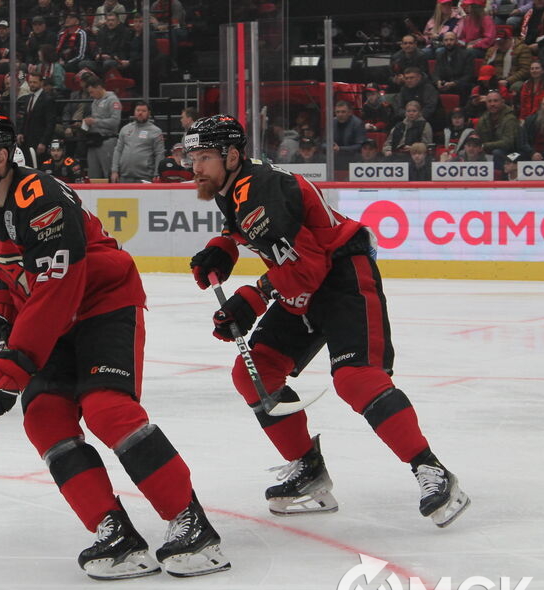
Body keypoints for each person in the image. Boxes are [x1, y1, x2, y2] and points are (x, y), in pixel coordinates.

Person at [0, 109, 231, 579]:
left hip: (103, 302)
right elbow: (12, 272)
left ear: (0, 158)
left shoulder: (42, 198)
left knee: (107, 410)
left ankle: (191, 523)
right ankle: (114, 531)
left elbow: (57, 289)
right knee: (44, 417)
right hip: (52, 318)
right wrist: (2, 308)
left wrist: (11, 368)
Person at [184, 114, 470, 527]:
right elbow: (248, 231)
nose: (195, 168)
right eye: (192, 158)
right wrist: (222, 247)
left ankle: (432, 469)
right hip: (305, 279)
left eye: (204, 157)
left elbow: (309, 265)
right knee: (255, 373)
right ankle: (308, 469)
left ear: (231, 156)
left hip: (342, 277)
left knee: (356, 379)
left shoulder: (261, 189)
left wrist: (252, 298)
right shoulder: (234, 185)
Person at [111, 101, 165, 183]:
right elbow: (118, 150)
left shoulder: (156, 131)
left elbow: (159, 154)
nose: (140, 113)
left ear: (149, 113)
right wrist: (114, 170)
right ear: (134, 112)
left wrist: (157, 174)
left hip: (145, 177)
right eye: (138, 110)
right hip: (124, 176)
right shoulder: (125, 129)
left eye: (143, 111)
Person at [81, 77, 122, 179]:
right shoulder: (95, 101)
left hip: (107, 141)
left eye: (92, 92)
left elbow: (115, 122)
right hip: (94, 140)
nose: (91, 95)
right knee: (93, 174)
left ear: (99, 87)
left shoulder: (112, 100)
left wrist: (95, 122)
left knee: (108, 173)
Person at [522, 93, 544, 160]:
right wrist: (532, 153)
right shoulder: (529, 120)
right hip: (530, 153)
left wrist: (541, 154)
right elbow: (523, 141)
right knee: (510, 157)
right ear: (541, 106)